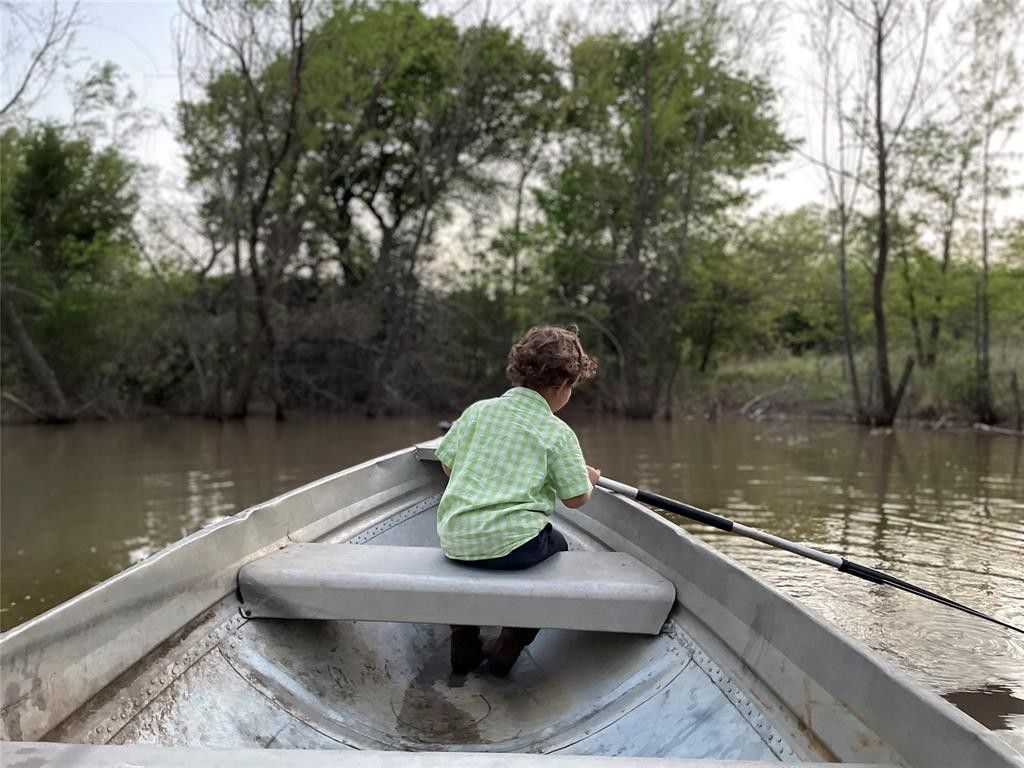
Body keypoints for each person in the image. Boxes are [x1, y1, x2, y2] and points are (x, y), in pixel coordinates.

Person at [434, 325, 601, 677]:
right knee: (558, 547)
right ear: (561, 387)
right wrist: (589, 480)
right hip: (515, 547)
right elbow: (574, 499)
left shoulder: (479, 411)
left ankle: (464, 638)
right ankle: (509, 643)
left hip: (456, 539)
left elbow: (448, 465)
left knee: (477, 552)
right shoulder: (556, 431)